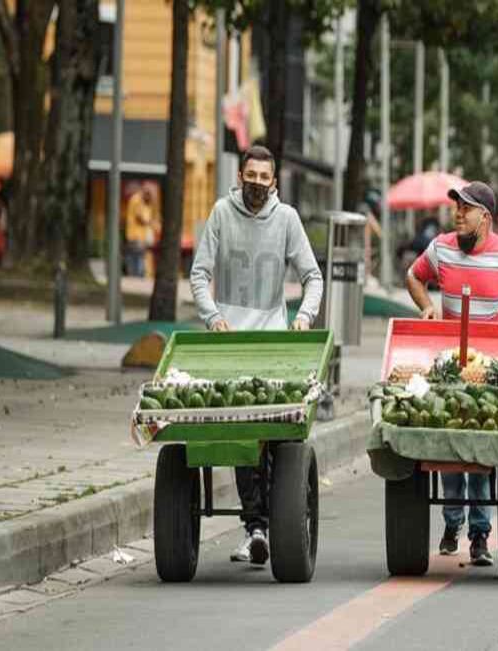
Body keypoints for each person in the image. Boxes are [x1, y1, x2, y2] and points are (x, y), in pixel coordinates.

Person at [190, 144, 324, 565]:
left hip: (273, 343)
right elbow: (198, 273)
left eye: (264, 178)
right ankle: (257, 527)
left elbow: (312, 276)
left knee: (271, 434)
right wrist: (213, 318)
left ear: (274, 183)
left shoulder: (286, 219)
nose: (257, 185)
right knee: (238, 433)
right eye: (251, 176)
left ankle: (263, 525)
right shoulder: (220, 214)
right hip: (229, 344)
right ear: (240, 176)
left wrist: (303, 317)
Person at [407, 181, 498, 565]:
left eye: (466, 209)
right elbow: (414, 276)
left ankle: (481, 535)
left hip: (492, 368)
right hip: (449, 363)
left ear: (485, 217)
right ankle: (453, 523)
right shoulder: (442, 248)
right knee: (450, 446)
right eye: (457, 208)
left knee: (481, 451)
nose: (458, 215)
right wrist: (427, 306)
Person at [124, 185, 155, 277]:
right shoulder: (137, 200)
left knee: (136, 256)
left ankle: (135, 275)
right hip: (135, 234)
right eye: (149, 197)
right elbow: (140, 217)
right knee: (138, 257)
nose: (150, 200)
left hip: (138, 235)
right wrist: (150, 223)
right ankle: (136, 276)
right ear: (146, 194)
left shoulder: (143, 202)